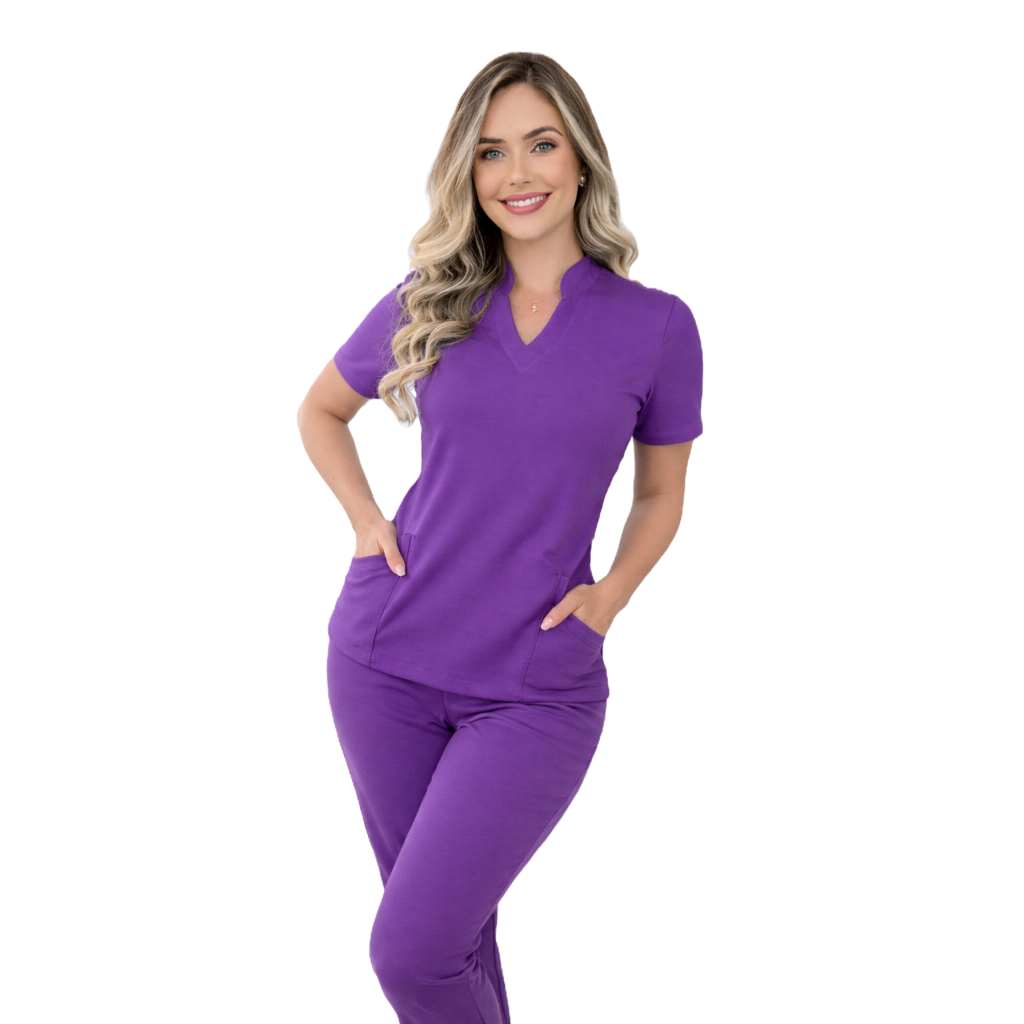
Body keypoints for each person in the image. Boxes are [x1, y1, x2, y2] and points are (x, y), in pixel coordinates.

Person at [297, 51, 704, 1024]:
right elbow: (321, 410)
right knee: (450, 943)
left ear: (581, 158)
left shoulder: (656, 328)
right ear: (467, 173)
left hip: (535, 682)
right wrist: (366, 521)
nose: (516, 174)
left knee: (412, 949)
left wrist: (609, 598)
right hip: (386, 660)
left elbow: (659, 494)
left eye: (540, 144)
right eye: (490, 153)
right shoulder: (431, 299)